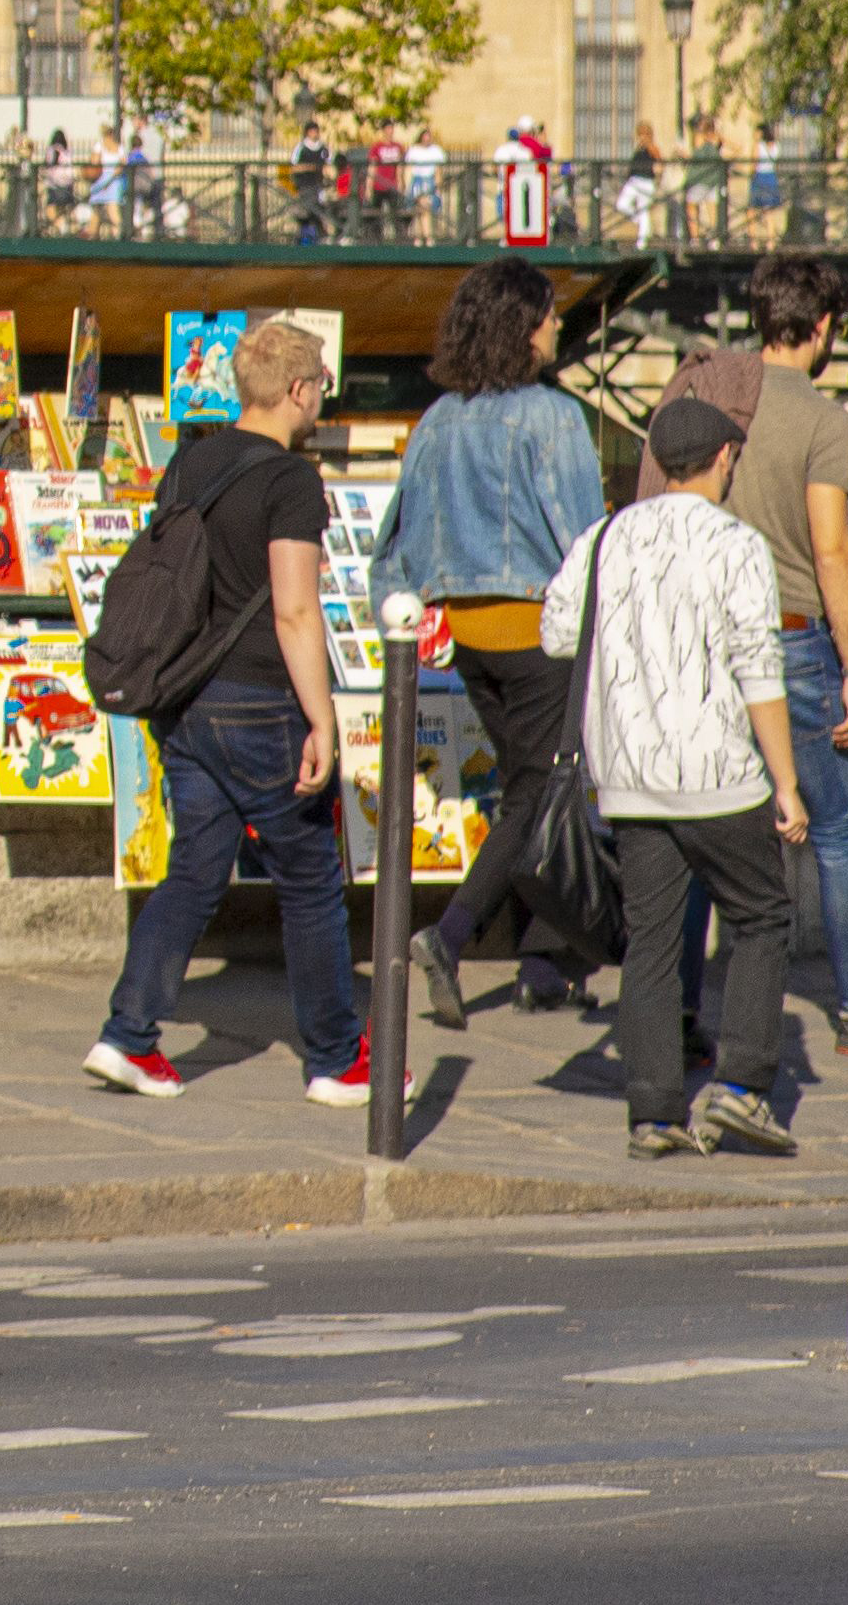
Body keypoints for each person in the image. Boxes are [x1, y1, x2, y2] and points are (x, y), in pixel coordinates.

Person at [88, 316, 369, 1108]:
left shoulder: (191, 462)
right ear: (297, 389)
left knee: (195, 869)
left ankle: (127, 1037)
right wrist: (323, 720)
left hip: (186, 699)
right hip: (259, 703)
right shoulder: (291, 481)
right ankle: (337, 1059)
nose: (321, 399)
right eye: (321, 386)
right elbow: (295, 610)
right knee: (310, 879)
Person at [679, 260, 848, 1058]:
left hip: (709, 639)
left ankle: (679, 1012)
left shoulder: (717, 398)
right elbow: (831, 548)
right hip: (791, 638)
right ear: (825, 325)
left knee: (698, 833)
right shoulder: (821, 418)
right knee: (838, 831)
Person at [548, 393, 816, 1157]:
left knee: (653, 942)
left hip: (630, 776)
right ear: (724, 458)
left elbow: (558, 632)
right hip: (717, 772)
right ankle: (743, 1086)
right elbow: (758, 668)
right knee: (762, 918)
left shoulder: (604, 537)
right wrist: (786, 783)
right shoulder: (736, 544)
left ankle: (654, 1112)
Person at [379, 257, 608, 1036]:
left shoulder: (437, 420)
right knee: (541, 793)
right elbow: (585, 541)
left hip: (468, 636)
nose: (557, 325)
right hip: (537, 630)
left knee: (528, 787)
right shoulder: (552, 417)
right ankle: (450, 935)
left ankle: (545, 964)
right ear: (524, 327)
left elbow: (399, 538)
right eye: (548, 314)